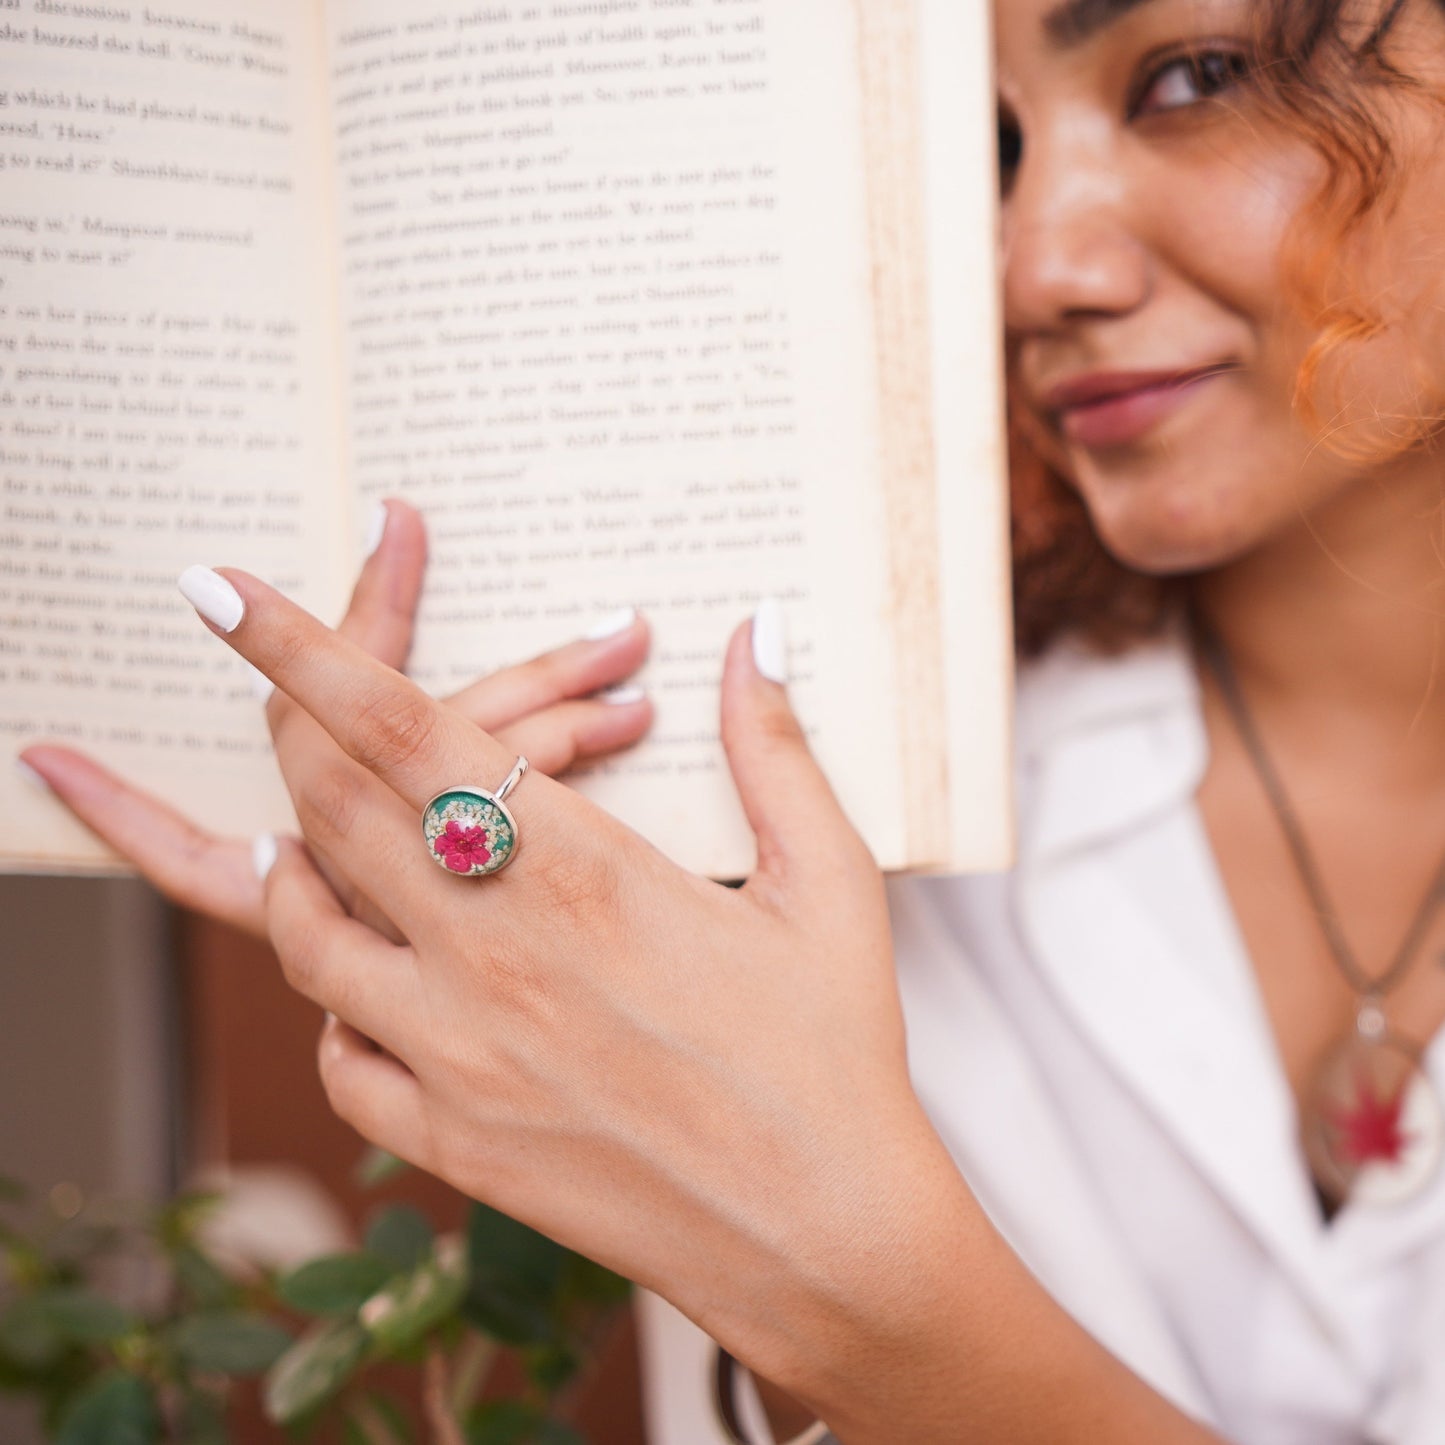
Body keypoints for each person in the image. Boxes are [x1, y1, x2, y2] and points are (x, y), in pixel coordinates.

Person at [19, 0, 1445, 1439]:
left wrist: (839, 1270)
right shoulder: (847, 812)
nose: (1030, 264)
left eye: (1193, 77)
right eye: (990, 145)